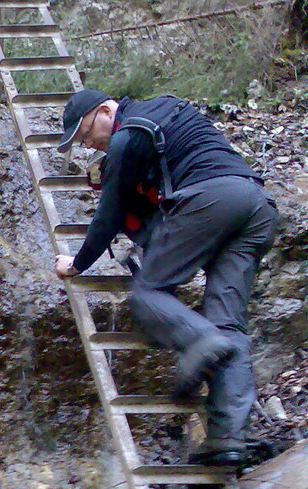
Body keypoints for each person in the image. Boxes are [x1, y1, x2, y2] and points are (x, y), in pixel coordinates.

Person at [53, 89, 279, 468]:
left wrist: (77, 264)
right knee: (229, 323)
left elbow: (108, 215)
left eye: (87, 134)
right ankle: (227, 441)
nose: (89, 144)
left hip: (212, 198)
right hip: (256, 206)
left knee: (148, 291)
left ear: (107, 110)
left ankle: (201, 341)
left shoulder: (126, 136)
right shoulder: (164, 113)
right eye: (82, 142)